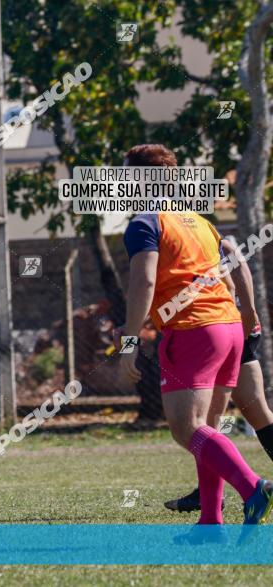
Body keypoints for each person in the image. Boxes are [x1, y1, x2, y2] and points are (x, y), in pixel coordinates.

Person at [119, 144, 272, 540]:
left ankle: (254, 488)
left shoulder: (144, 223)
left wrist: (128, 339)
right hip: (228, 327)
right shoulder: (198, 221)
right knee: (209, 427)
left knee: (186, 429)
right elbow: (233, 262)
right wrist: (250, 315)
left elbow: (145, 281)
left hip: (192, 332)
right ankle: (209, 524)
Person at [164, 238, 273, 512]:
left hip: (225, 324)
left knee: (210, 420)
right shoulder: (189, 242)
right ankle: (208, 497)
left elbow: (235, 271)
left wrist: (247, 311)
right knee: (242, 412)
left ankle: (211, 498)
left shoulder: (209, 239)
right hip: (227, 324)